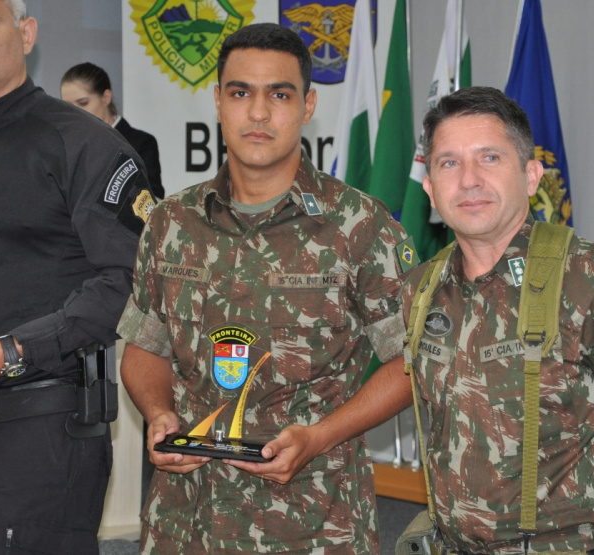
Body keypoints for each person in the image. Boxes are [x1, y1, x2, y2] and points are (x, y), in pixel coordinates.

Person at [117, 23, 415, 553]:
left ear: (307, 105)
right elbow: (145, 348)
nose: (258, 113)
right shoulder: (171, 223)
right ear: (217, 102)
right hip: (187, 521)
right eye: (240, 93)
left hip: (314, 522)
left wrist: (318, 437)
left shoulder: (359, 226)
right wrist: (159, 413)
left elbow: (411, 364)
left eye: (279, 94)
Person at [399, 86, 594, 554]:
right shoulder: (422, 289)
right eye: (449, 163)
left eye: (490, 158)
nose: (469, 180)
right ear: (430, 189)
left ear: (533, 175)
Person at [0, 0, 155, 552]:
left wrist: (11, 351)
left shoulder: (82, 142)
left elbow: (133, 280)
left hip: (39, 420)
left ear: (27, 31)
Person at [61, 61, 165, 198]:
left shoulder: (140, 143)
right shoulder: (64, 145)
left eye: (83, 103)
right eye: (67, 106)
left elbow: (153, 198)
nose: (75, 112)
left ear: (106, 97)